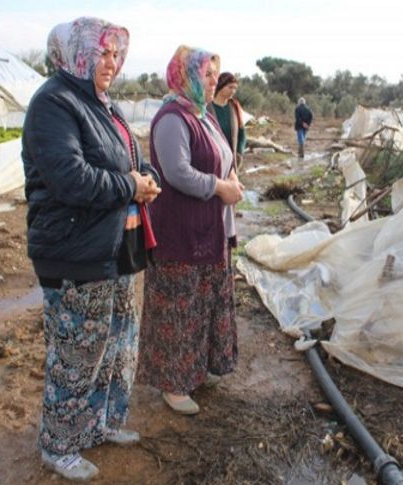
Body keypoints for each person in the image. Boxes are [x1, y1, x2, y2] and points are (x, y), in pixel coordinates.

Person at [22, 17, 161, 481]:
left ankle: (99, 424)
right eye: (102, 52)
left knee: (115, 344)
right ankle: (58, 445)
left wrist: (143, 182)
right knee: (77, 353)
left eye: (116, 53)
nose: (112, 62)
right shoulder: (53, 104)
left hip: (115, 245)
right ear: (75, 53)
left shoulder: (103, 104)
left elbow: (125, 161)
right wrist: (130, 185)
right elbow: (71, 178)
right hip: (74, 251)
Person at [137, 45, 243, 416]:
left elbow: (223, 156)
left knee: (203, 305)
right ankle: (174, 383)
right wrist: (220, 187)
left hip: (209, 231)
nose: (214, 80)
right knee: (179, 309)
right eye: (206, 74)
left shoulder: (204, 115)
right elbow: (177, 172)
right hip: (181, 235)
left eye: (216, 73)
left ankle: (196, 369)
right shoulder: (172, 117)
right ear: (185, 76)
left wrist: (232, 176)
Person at [208, 72, 246, 169]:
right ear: (220, 86)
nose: (233, 91)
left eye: (235, 88)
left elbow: (242, 133)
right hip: (212, 162)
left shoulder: (234, 107)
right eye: (230, 87)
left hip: (231, 163)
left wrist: (239, 153)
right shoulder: (207, 107)